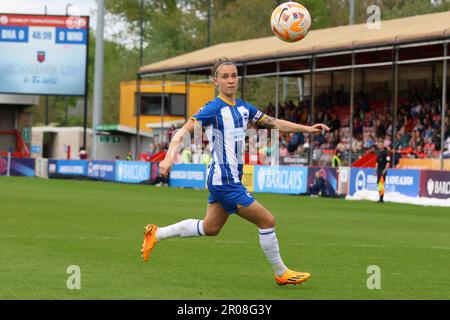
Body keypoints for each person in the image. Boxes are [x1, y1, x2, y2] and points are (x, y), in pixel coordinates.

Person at [140, 58, 330, 286]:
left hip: (227, 179)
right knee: (267, 220)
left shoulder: (244, 108)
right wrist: (169, 156)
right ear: (216, 81)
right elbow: (182, 133)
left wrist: (307, 128)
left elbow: (274, 122)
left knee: (210, 228)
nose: (230, 80)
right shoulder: (212, 109)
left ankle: (156, 233)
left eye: (234, 75)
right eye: (225, 76)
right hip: (224, 180)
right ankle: (281, 272)